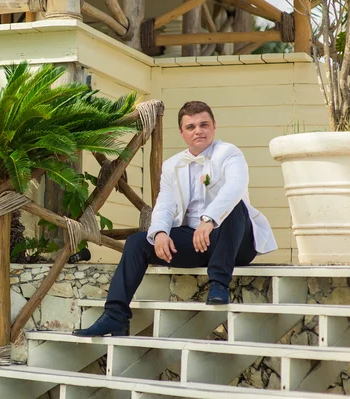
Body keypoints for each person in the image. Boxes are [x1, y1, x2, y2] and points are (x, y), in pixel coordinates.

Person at [73, 101, 277, 337]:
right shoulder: (171, 166)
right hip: (196, 243)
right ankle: (115, 316)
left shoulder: (229, 153)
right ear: (182, 133)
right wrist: (159, 233)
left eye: (203, 124)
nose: (198, 130)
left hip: (234, 242)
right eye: (190, 127)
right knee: (137, 243)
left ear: (214, 126)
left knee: (235, 206)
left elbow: (234, 187)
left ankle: (219, 284)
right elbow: (165, 206)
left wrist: (209, 220)